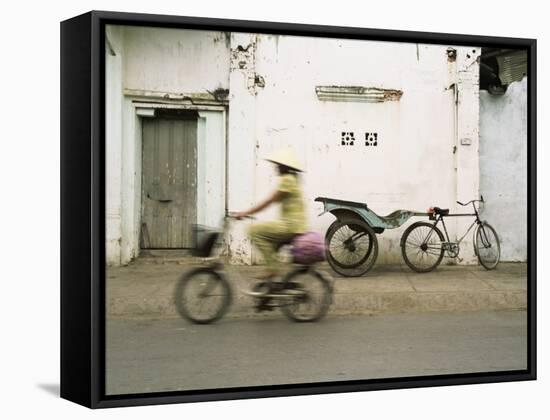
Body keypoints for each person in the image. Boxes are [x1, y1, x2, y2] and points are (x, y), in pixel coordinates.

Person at [234, 147, 308, 280]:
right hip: (296, 226)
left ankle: (273, 269)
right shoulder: (292, 179)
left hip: (290, 226)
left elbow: (269, 201)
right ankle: (275, 283)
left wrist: (245, 213)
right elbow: (274, 200)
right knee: (270, 245)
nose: (275, 168)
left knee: (253, 231)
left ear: (283, 166)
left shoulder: (287, 180)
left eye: (278, 165)